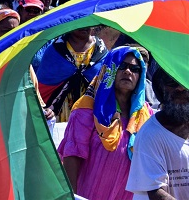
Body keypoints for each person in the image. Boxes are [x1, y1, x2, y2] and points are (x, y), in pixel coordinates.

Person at [59, 46, 152, 200]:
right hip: (89, 194)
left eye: (135, 69)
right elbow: (71, 158)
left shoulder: (145, 115)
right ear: (109, 69)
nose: (128, 72)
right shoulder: (87, 110)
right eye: (122, 66)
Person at [127, 68, 189, 199]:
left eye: (184, 81)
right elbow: (156, 192)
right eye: (172, 82)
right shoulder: (150, 134)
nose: (180, 88)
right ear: (161, 87)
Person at [37, 26, 109, 121]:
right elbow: (42, 85)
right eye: (81, 23)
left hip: (91, 113)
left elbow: (107, 84)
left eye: (87, 23)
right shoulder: (56, 50)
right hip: (58, 113)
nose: (84, 26)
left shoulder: (101, 51)